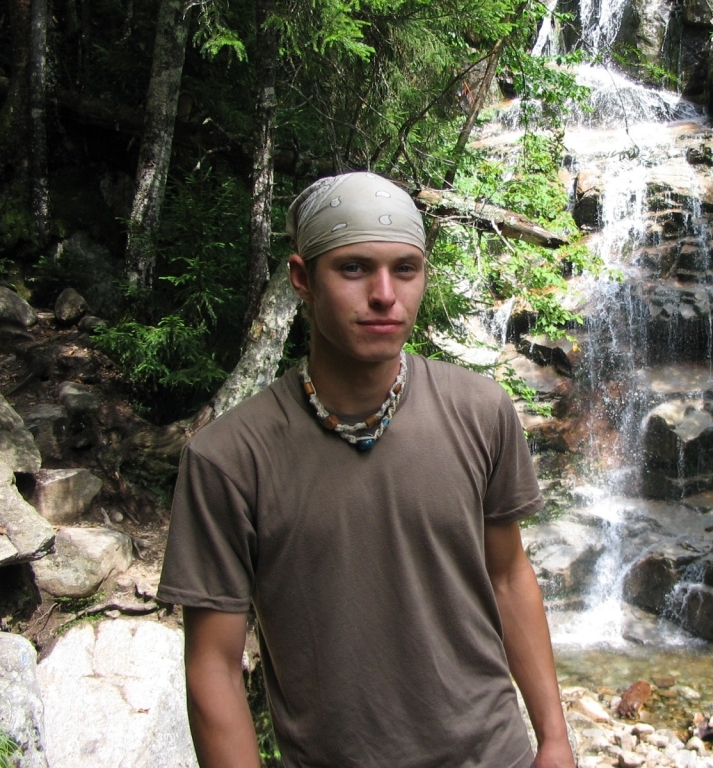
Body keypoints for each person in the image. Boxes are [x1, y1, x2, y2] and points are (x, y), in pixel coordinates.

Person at [157, 172, 576, 768]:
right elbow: (214, 664)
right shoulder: (229, 457)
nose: (385, 294)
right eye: (354, 268)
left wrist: (555, 740)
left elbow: (508, 576)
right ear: (303, 279)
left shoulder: (481, 410)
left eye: (406, 269)